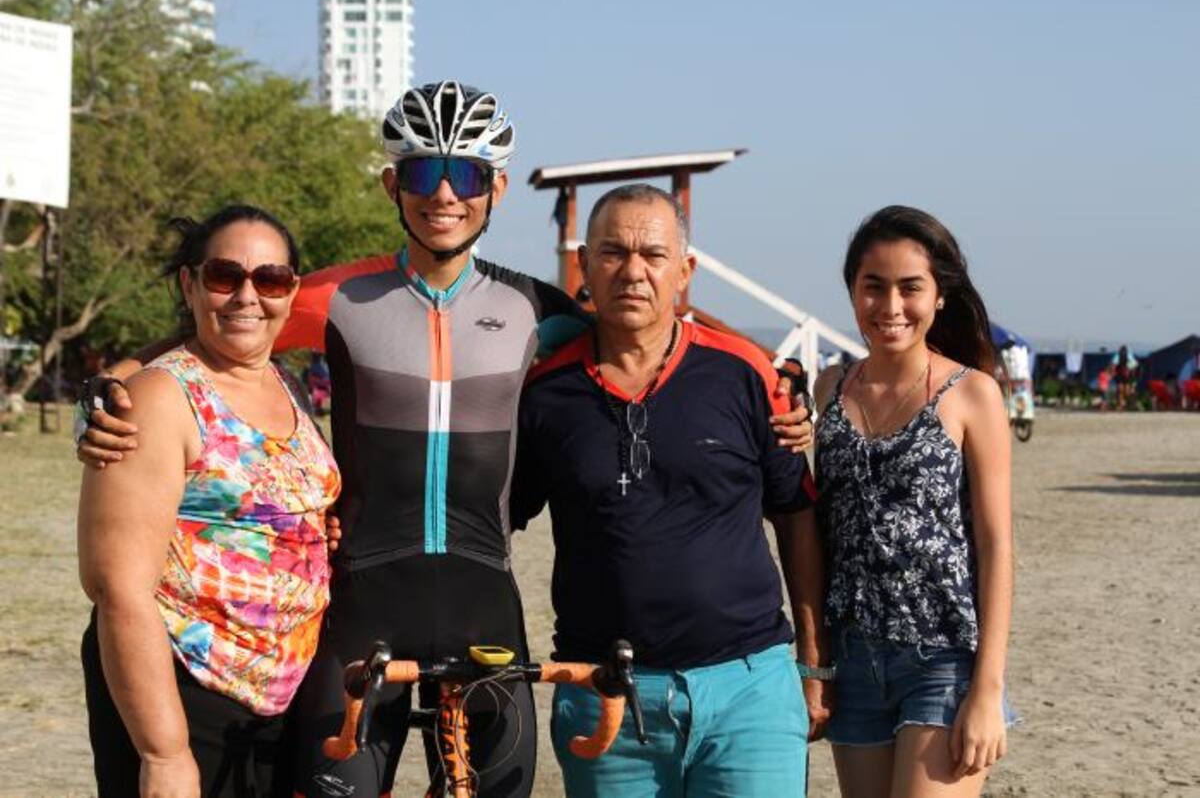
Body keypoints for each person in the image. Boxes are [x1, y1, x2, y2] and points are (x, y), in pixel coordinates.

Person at [75, 81, 818, 796]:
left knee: (507, 782)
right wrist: (111, 382)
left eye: (464, 172)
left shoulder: (536, 308)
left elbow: (649, 317)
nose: (443, 194)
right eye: (424, 171)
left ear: (494, 189)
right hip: (364, 599)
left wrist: (774, 369)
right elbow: (225, 316)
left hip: (481, 596)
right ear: (391, 185)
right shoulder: (338, 297)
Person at [510, 184, 829, 797]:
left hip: (748, 691)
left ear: (684, 272)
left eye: (653, 255)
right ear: (585, 265)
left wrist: (813, 663)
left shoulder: (744, 374)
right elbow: (492, 519)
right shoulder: (544, 395)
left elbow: (796, 514)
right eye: (612, 253)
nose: (633, 271)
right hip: (603, 694)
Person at [77, 205, 341, 797]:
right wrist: (163, 754)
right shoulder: (157, 398)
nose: (248, 296)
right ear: (189, 284)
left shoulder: (285, 383)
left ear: (291, 290)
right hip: (186, 689)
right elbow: (116, 585)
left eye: (270, 279)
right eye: (226, 276)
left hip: (279, 700)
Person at [812, 205, 1016, 797]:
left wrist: (987, 689)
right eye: (873, 287)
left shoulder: (971, 394)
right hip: (851, 663)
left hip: (944, 660)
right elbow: (820, 528)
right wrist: (819, 665)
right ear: (852, 290)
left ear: (940, 296)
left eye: (910, 288)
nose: (890, 306)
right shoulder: (829, 388)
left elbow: (997, 545)